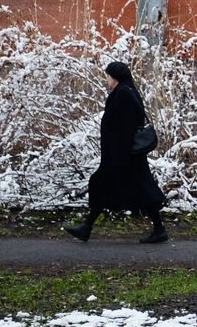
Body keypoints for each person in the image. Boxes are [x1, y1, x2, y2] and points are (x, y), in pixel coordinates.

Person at [64, 61, 168, 244]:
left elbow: (124, 128)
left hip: (122, 156)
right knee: (130, 188)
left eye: (108, 76)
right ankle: (86, 227)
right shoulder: (127, 91)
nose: (107, 80)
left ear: (115, 77)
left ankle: (87, 227)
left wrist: (119, 157)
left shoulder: (123, 94)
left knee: (110, 186)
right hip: (124, 155)